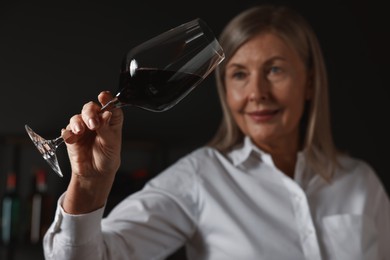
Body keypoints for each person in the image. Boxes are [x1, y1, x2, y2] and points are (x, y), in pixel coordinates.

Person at [43, 4, 390, 260]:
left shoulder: (361, 182)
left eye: (275, 70)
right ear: (224, 87)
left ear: (310, 82)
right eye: (239, 74)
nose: (257, 92)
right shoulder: (199, 177)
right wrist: (89, 186)